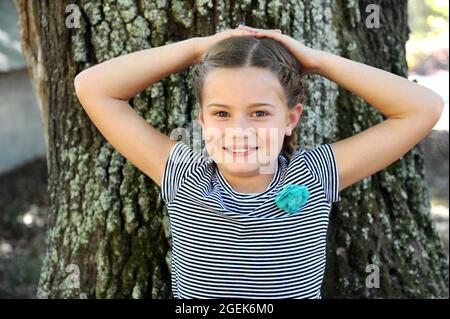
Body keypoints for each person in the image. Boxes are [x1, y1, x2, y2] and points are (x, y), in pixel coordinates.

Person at [74, 25, 444, 298]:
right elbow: (93, 87)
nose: (239, 131)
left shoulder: (314, 177)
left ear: (290, 118)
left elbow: (423, 109)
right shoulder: (183, 176)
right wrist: (197, 49)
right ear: (201, 119)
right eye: (221, 114)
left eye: (259, 113)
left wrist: (315, 61)